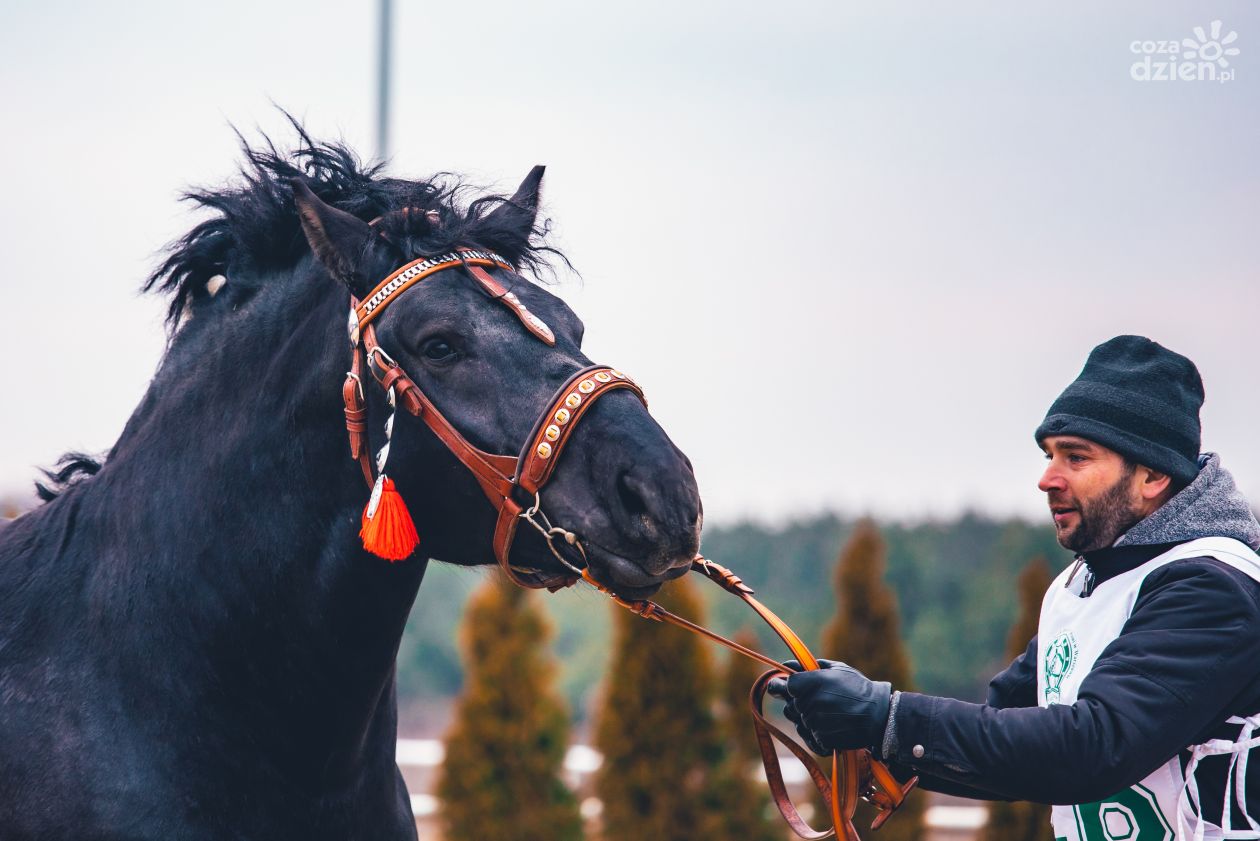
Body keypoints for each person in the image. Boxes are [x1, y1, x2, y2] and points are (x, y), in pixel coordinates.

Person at [770, 335, 1260, 841]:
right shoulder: (1079, 587)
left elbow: (1092, 747)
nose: (1047, 478)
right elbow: (1006, 739)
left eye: (1076, 457)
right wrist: (863, 733)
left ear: (1153, 474)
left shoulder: (1213, 587)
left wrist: (885, 715)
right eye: (1050, 455)